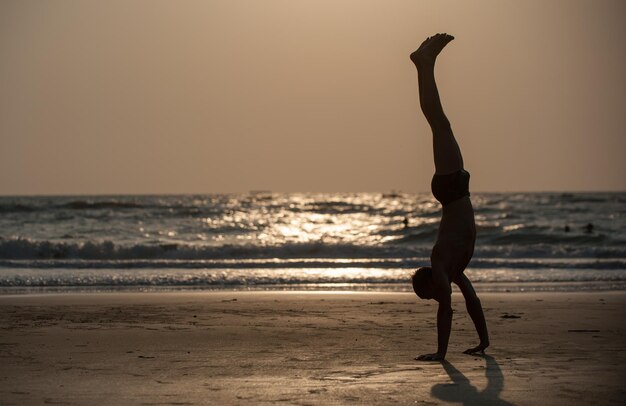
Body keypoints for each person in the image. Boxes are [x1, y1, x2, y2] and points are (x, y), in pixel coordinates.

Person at [409, 33, 489, 361]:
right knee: (440, 125)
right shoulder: (455, 270)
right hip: (454, 191)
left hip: (452, 190)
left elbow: (447, 308)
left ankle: (423, 65)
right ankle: (425, 65)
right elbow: (471, 302)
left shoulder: (440, 264)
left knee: (438, 124)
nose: (434, 297)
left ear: (430, 283)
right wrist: (484, 341)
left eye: (427, 295)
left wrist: (440, 354)